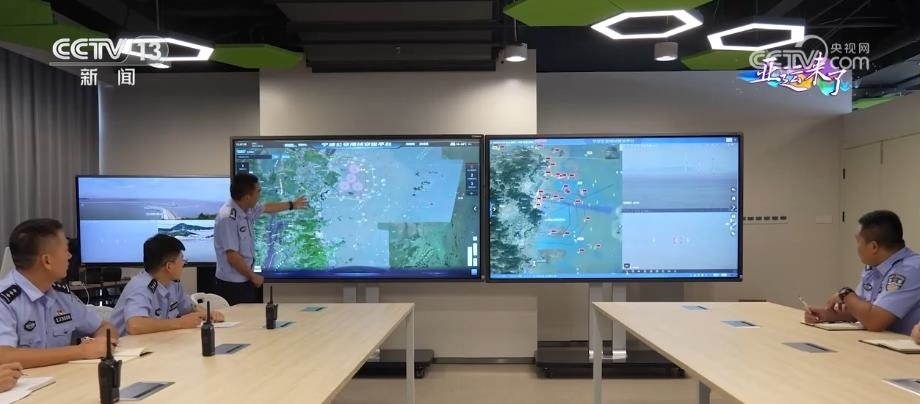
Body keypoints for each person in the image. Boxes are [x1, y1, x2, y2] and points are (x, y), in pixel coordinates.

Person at [0, 219, 117, 369]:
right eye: (65, 250)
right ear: (47, 261)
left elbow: (104, 326)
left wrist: (102, 343)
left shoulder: (61, 295)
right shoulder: (5, 301)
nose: (69, 256)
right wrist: (80, 351)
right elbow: (4, 356)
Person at [804, 210, 920, 334]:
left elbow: (875, 321)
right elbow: (861, 311)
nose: (857, 248)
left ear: (873, 247)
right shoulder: (874, 266)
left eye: (858, 242)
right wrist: (827, 315)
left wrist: (845, 294)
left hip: (905, 344)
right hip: (881, 340)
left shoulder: (910, 269)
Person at [213, 173, 308, 305]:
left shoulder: (245, 207)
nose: (260, 194)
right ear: (247, 197)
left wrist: (292, 205)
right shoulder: (228, 217)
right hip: (232, 285)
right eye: (258, 191)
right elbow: (232, 256)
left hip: (245, 279)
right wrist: (253, 276)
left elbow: (267, 207)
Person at [110, 234, 225, 336]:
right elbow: (135, 326)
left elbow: (189, 308)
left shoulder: (172, 284)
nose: (184, 264)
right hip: (126, 349)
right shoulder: (140, 287)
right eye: (182, 260)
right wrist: (180, 323)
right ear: (169, 266)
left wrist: (207, 314)